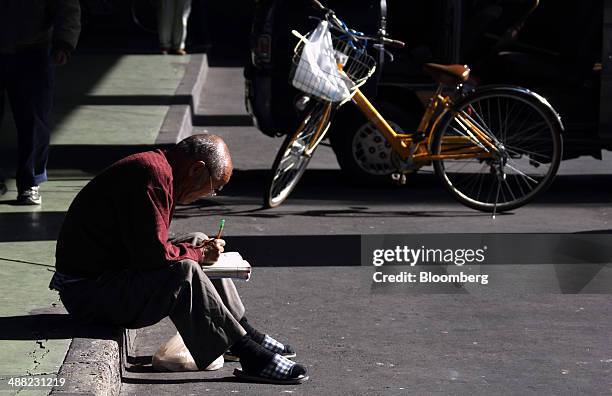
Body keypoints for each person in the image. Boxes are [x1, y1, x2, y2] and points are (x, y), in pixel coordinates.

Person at [49, 134, 308, 384]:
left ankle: (240, 330)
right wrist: (198, 255)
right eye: (214, 188)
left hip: (109, 277)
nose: (209, 195)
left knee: (196, 239)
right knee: (183, 270)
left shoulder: (160, 169)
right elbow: (154, 257)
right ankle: (250, 355)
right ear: (197, 170)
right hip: (88, 293)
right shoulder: (152, 176)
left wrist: (198, 250)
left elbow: (148, 248)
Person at [0, 0, 81, 205]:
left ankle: (30, 181)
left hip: (33, 49)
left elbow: (66, 5)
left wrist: (64, 41)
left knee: (34, 121)